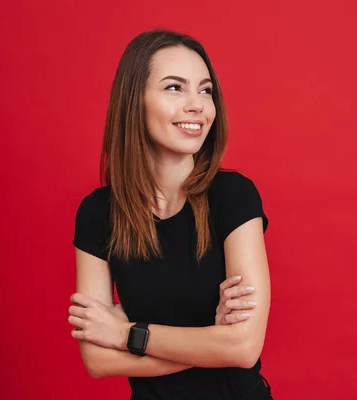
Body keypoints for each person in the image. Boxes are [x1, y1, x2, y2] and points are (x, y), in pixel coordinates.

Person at [68, 29, 273, 399]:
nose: (197, 105)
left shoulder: (234, 197)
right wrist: (212, 342)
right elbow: (97, 361)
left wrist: (125, 334)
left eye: (205, 90)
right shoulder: (97, 213)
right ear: (135, 101)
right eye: (175, 88)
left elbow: (243, 349)